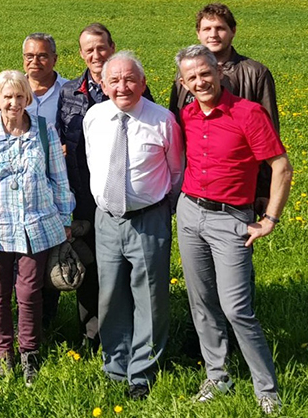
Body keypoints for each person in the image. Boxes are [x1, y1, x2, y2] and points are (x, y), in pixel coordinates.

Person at [175, 45, 292, 415]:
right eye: (191, 77)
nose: (200, 81)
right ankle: (217, 375)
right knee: (202, 303)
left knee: (237, 307)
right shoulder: (186, 115)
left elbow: (281, 166)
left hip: (232, 221)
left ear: (219, 72)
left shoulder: (248, 113)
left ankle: (266, 388)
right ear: (183, 83)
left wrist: (270, 218)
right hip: (190, 213)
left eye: (205, 73)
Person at [83, 52, 183, 401]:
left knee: (150, 297)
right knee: (109, 295)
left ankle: (142, 371)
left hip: (148, 218)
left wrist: (159, 209)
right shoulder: (94, 117)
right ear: (103, 84)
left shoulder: (162, 120)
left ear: (142, 83)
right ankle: (115, 365)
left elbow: (176, 172)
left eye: (129, 80)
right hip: (106, 219)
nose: (122, 86)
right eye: (114, 80)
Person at [0, 70, 74, 384]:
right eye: (6, 97)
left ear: (28, 98)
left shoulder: (44, 130)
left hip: (36, 225)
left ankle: (29, 352)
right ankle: (4, 354)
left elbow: (59, 177)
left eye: (19, 96)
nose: (13, 103)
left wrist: (65, 218)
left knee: (29, 292)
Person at [57, 23, 155, 346]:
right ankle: (91, 336)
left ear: (112, 47)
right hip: (83, 197)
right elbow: (61, 143)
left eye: (101, 47)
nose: (96, 55)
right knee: (88, 267)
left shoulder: (134, 87)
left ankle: (129, 334)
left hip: (125, 197)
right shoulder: (70, 92)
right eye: (89, 50)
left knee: (123, 271)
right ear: (82, 54)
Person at [168, 3, 278, 208]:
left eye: (220, 28)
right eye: (207, 29)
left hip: (238, 189)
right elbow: (174, 126)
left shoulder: (256, 73)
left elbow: (270, 135)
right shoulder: (183, 74)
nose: (213, 34)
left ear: (233, 31)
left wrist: (264, 189)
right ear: (198, 34)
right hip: (193, 189)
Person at [22, 33, 67, 127]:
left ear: (54, 59)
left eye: (42, 56)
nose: (35, 62)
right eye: (29, 56)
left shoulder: (69, 91)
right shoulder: (12, 90)